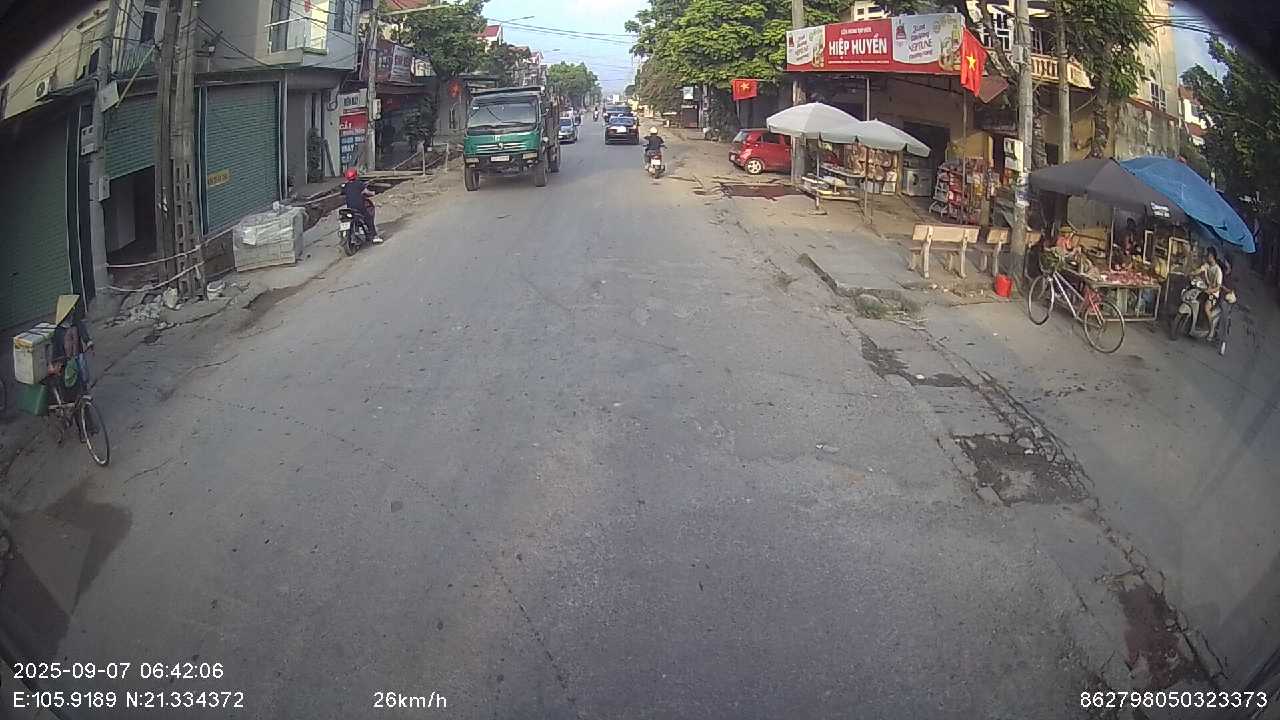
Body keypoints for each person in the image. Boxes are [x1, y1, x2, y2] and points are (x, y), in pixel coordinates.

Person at [46, 294, 93, 407]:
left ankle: (83, 400)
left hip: (78, 356)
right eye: (71, 309)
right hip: (66, 362)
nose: (73, 311)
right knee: (70, 383)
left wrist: (88, 341)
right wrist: (55, 363)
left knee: (83, 378)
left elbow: (83, 331)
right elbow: (56, 349)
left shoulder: (76, 323)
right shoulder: (58, 331)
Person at [342, 167, 383, 244]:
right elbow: (366, 192)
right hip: (359, 207)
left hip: (350, 208)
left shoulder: (346, 186)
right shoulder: (359, 184)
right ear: (356, 175)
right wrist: (373, 193)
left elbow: (343, 193)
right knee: (368, 218)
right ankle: (375, 236)